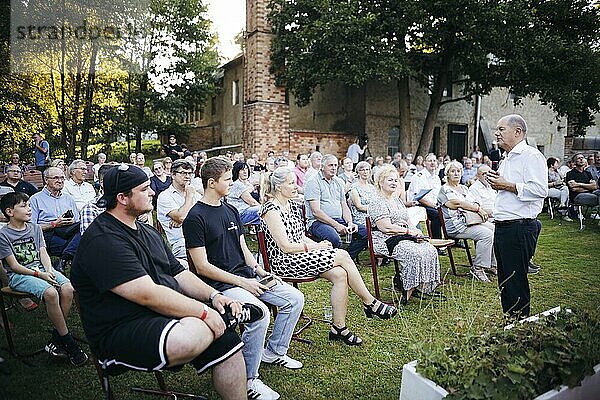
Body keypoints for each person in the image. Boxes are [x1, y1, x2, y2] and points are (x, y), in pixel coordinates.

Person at [71, 164, 252, 400]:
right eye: (144, 189)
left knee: (228, 342)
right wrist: (205, 313)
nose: (152, 192)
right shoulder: (103, 239)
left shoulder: (147, 231)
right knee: (189, 338)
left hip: (160, 314)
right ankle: (224, 320)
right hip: (121, 326)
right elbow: (147, 294)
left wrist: (214, 296)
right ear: (122, 198)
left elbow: (180, 273)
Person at [184, 157, 304, 400]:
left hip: (246, 276)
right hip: (219, 286)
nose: (233, 183)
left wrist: (260, 272)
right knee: (260, 313)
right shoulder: (195, 217)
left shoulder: (230, 209)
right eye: (227, 179)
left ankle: (274, 351)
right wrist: (243, 282)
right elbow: (202, 267)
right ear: (211, 182)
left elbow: (242, 248)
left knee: (294, 297)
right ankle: (249, 379)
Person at [261, 167, 396, 346]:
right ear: (278, 187)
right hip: (284, 261)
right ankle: (370, 302)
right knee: (342, 255)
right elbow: (285, 247)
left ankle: (338, 328)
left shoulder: (291, 205)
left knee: (340, 274)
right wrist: (315, 246)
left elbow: (299, 235)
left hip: (300, 254)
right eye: (291, 183)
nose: (296, 186)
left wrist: (316, 247)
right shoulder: (271, 209)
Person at [0, 192, 87, 365]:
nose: (29, 209)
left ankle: (56, 338)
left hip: (41, 268)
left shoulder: (34, 227)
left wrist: (49, 270)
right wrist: (41, 275)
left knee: (68, 288)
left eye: (29, 205)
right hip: (19, 275)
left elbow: (43, 253)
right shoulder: (3, 235)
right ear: (10, 211)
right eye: (24, 206)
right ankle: (68, 342)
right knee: (51, 293)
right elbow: (14, 266)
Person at [487, 114, 547, 318]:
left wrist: (506, 185)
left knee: (515, 280)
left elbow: (540, 190)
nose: (496, 133)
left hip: (519, 227)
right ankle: (510, 322)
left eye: (501, 129)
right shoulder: (507, 157)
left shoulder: (531, 156)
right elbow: (508, 189)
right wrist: (498, 184)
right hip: (503, 226)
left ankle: (520, 327)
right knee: (505, 280)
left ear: (518, 132)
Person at [368, 165, 441, 304]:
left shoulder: (396, 200)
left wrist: (417, 231)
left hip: (403, 235)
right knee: (414, 253)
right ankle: (408, 289)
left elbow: (407, 220)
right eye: (390, 180)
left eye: (396, 180)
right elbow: (386, 227)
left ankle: (421, 286)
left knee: (430, 250)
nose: (394, 183)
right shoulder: (377, 202)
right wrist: (409, 232)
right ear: (380, 182)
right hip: (385, 239)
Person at [438, 161, 497, 281]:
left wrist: (475, 206)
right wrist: (477, 209)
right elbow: (457, 203)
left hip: (469, 221)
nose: (456, 174)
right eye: (453, 171)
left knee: (495, 229)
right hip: (456, 226)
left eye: (458, 171)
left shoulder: (464, 188)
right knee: (486, 235)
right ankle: (478, 268)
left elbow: (474, 201)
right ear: (447, 174)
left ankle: (492, 264)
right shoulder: (444, 189)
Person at [304, 154, 368, 261]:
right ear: (322, 167)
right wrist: (337, 226)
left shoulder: (338, 182)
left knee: (365, 233)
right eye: (330, 165)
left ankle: (346, 257)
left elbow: (344, 206)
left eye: (335, 165)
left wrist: (350, 223)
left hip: (338, 220)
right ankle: (332, 262)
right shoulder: (313, 182)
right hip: (317, 222)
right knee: (334, 239)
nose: (334, 168)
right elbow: (316, 212)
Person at [30, 167, 81, 273]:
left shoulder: (68, 198)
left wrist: (70, 222)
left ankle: (63, 260)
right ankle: (66, 258)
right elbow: (31, 227)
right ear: (46, 180)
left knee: (85, 229)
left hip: (69, 230)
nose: (60, 181)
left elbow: (77, 221)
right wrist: (54, 224)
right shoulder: (35, 199)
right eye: (56, 178)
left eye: (62, 178)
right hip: (49, 233)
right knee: (84, 245)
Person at [157, 159, 202, 269]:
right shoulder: (165, 196)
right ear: (173, 175)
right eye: (183, 173)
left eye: (190, 173)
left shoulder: (196, 195)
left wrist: (186, 219)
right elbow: (182, 217)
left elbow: (207, 216)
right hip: (182, 244)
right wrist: (189, 196)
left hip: (203, 240)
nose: (187, 176)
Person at [407, 153, 443, 239]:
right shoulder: (418, 177)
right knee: (437, 214)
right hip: (419, 205)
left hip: (433, 205)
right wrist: (435, 206)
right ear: (424, 163)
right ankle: (437, 242)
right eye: (429, 161)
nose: (432, 163)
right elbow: (420, 198)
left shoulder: (437, 178)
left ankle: (454, 240)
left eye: (434, 161)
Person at [80, 164, 114, 234]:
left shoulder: (126, 203)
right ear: (102, 182)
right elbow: (90, 240)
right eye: (116, 181)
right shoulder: (91, 208)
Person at [227, 161, 262, 226]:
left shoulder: (244, 184)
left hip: (243, 212)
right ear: (237, 171)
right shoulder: (237, 184)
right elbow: (252, 202)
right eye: (242, 170)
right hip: (241, 214)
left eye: (246, 169)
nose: (245, 171)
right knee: (267, 211)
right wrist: (264, 208)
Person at [349, 161, 376, 227]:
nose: (365, 172)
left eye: (367, 169)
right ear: (358, 172)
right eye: (362, 170)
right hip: (361, 220)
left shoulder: (372, 187)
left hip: (374, 218)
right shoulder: (354, 187)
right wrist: (376, 209)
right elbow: (359, 207)